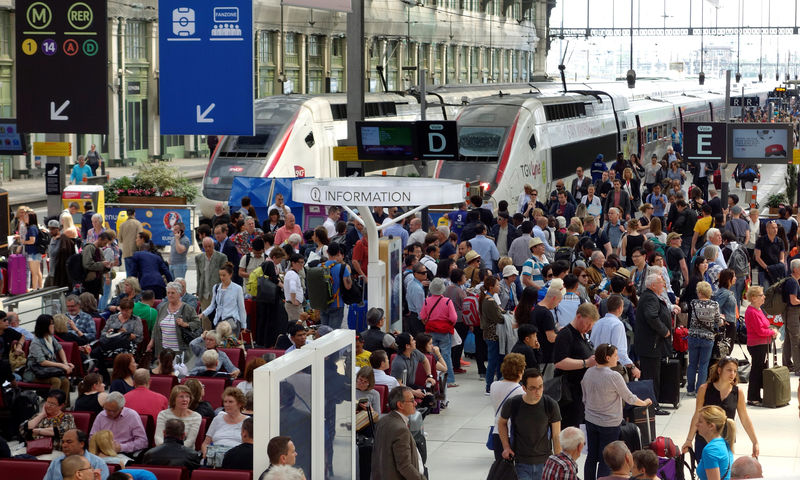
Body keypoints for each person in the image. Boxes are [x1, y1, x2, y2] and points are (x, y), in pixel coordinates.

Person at [581, 344, 652, 480]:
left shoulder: (589, 372)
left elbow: (584, 396)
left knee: (591, 456)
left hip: (590, 420)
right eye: (615, 355)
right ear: (608, 358)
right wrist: (644, 402)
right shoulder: (614, 376)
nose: (618, 358)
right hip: (609, 423)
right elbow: (629, 398)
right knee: (605, 458)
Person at [682, 357, 760, 460]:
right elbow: (697, 415)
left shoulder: (738, 392)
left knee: (723, 474)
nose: (732, 374)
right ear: (719, 370)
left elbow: (745, 419)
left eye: (735, 371)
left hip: (726, 442)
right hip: (704, 440)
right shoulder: (704, 389)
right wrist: (689, 440)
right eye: (729, 370)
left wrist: (755, 442)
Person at [497, 367, 561, 479]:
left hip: (545, 462)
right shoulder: (513, 403)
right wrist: (506, 447)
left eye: (540, 386)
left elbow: (556, 436)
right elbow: (501, 423)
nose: (538, 391)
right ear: (524, 388)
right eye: (533, 388)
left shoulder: (550, 404)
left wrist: (558, 461)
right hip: (521, 462)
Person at [553, 303, 600, 428]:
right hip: (569, 393)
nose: (589, 328)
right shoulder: (565, 334)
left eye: (591, 325)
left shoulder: (582, 335)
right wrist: (586, 363)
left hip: (582, 392)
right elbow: (559, 362)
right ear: (579, 316)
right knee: (570, 427)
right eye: (587, 323)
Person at [634, 274, 674, 415]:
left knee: (651, 376)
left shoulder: (649, 296)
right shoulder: (650, 297)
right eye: (660, 282)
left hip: (651, 345)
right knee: (651, 377)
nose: (663, 284)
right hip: (651, 345)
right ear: (652, 285)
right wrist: (664, 331)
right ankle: (652, 406)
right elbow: (651, 316)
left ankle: (651, 404)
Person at [370, 386, 426, 480]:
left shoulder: (382, 421)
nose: (415, 403)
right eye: (412, 401)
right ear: (400, 405)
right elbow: (404, 466)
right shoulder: (400, 430)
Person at [686, 281, 724, 396]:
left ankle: (690, 389)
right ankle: (699, 390)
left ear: (700, 292)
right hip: (708, 338)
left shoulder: (693, 303)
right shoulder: (714, 305)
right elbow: (718, 322)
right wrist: (722, 320)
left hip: (693, 336)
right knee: (703, 364)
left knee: (692, 363)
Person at [590, 295, 639, 380]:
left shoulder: (598, 323)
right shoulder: (617, 324)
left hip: (597, 365)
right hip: (612, 367)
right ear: (620, 308)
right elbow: (619, 351)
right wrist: (633, 367)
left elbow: (591, 344)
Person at [147, 281, 199, 361]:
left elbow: (197, 323)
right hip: (163, 350)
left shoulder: (187, 308)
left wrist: (185, 324)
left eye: (173, 293)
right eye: (168, 293)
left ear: (179, 294)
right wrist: (151, 342)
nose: (170, 295)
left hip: (180, 351)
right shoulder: (163, 308)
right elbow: (156, 327)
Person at [743, 286, 777, 406]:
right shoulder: (752, 312)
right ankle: (753, 397)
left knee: (760, 370)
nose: (764, 297)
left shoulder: (758, 309)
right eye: (761, 295)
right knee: (756, 371)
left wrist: (770, 330)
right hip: (757, 345)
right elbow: (760, 331)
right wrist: (772, 332)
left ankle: (757, 396)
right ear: (753, 298)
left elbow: (764, 326)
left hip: (762, 344)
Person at [420, 277, 457, 386]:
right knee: (446, 354)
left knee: (432, 354)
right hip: (445, 331)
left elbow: (422, 316)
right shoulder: (447, 302)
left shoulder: (427, 301)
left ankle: (435, 377)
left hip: (431, 330)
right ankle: (449, 379)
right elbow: (454, 318)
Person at [25, 314, 72, 398]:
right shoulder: (35, 343)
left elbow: (60, 349)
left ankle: (63, 406)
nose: (53, 326)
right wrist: (62, 365)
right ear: (44, 326)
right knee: (56, 381)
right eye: (51, 324)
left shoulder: (50, 337)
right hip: (35, 372)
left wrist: (65, 362)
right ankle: (51, 405)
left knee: (65, 381)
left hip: (48, 371)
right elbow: (42, 362)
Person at [200, 387, 248, 459]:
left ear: (239, 404)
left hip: (237, 458)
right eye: (225, 402)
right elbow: (205, 443)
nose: (227, 405)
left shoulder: (247, 422)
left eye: (230, 402)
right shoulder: (217, 419)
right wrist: (205, 454)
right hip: (214, 458)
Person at [43, 429, 110, 480]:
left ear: (81, 444)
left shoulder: (98, 463)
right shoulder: (56, 462)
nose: (64, 445)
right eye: (63, 442)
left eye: (69, 442)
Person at [201, 262, 247, 335]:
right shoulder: (216, 287)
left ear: (230, 275)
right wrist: (203, 314)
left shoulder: (238, 288)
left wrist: (243, 325)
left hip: (232, 322)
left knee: (230, 344)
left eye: (224, 275)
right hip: (218, 322)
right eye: (220, 275)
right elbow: (213, 305)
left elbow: (241, 308)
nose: (222, 277)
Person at [695, 405, 735, 480]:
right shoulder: (723, 443)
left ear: (711, 426)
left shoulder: (710, 450)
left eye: (700, 421)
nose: (696, 424)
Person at [195, 236, 228, 312]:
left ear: (213, 245)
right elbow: (198, 275)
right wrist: (198, 289)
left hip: (217, 292)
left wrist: (225, 289)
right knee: (205, 317)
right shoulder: (198, 258)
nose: (208, 249)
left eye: (209, 246)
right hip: (204, 293)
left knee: (217, 316)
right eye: (205, 247)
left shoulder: (221, 257)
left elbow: (225, 275)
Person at [118, 209, 143, 274]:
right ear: (134, 213)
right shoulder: (138, 223)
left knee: (128, 275)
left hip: (126, 252)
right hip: (136, 252)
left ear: (127, 214)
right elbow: (140, 238)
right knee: (136, 276)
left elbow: (120, 239)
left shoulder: (122, 225)